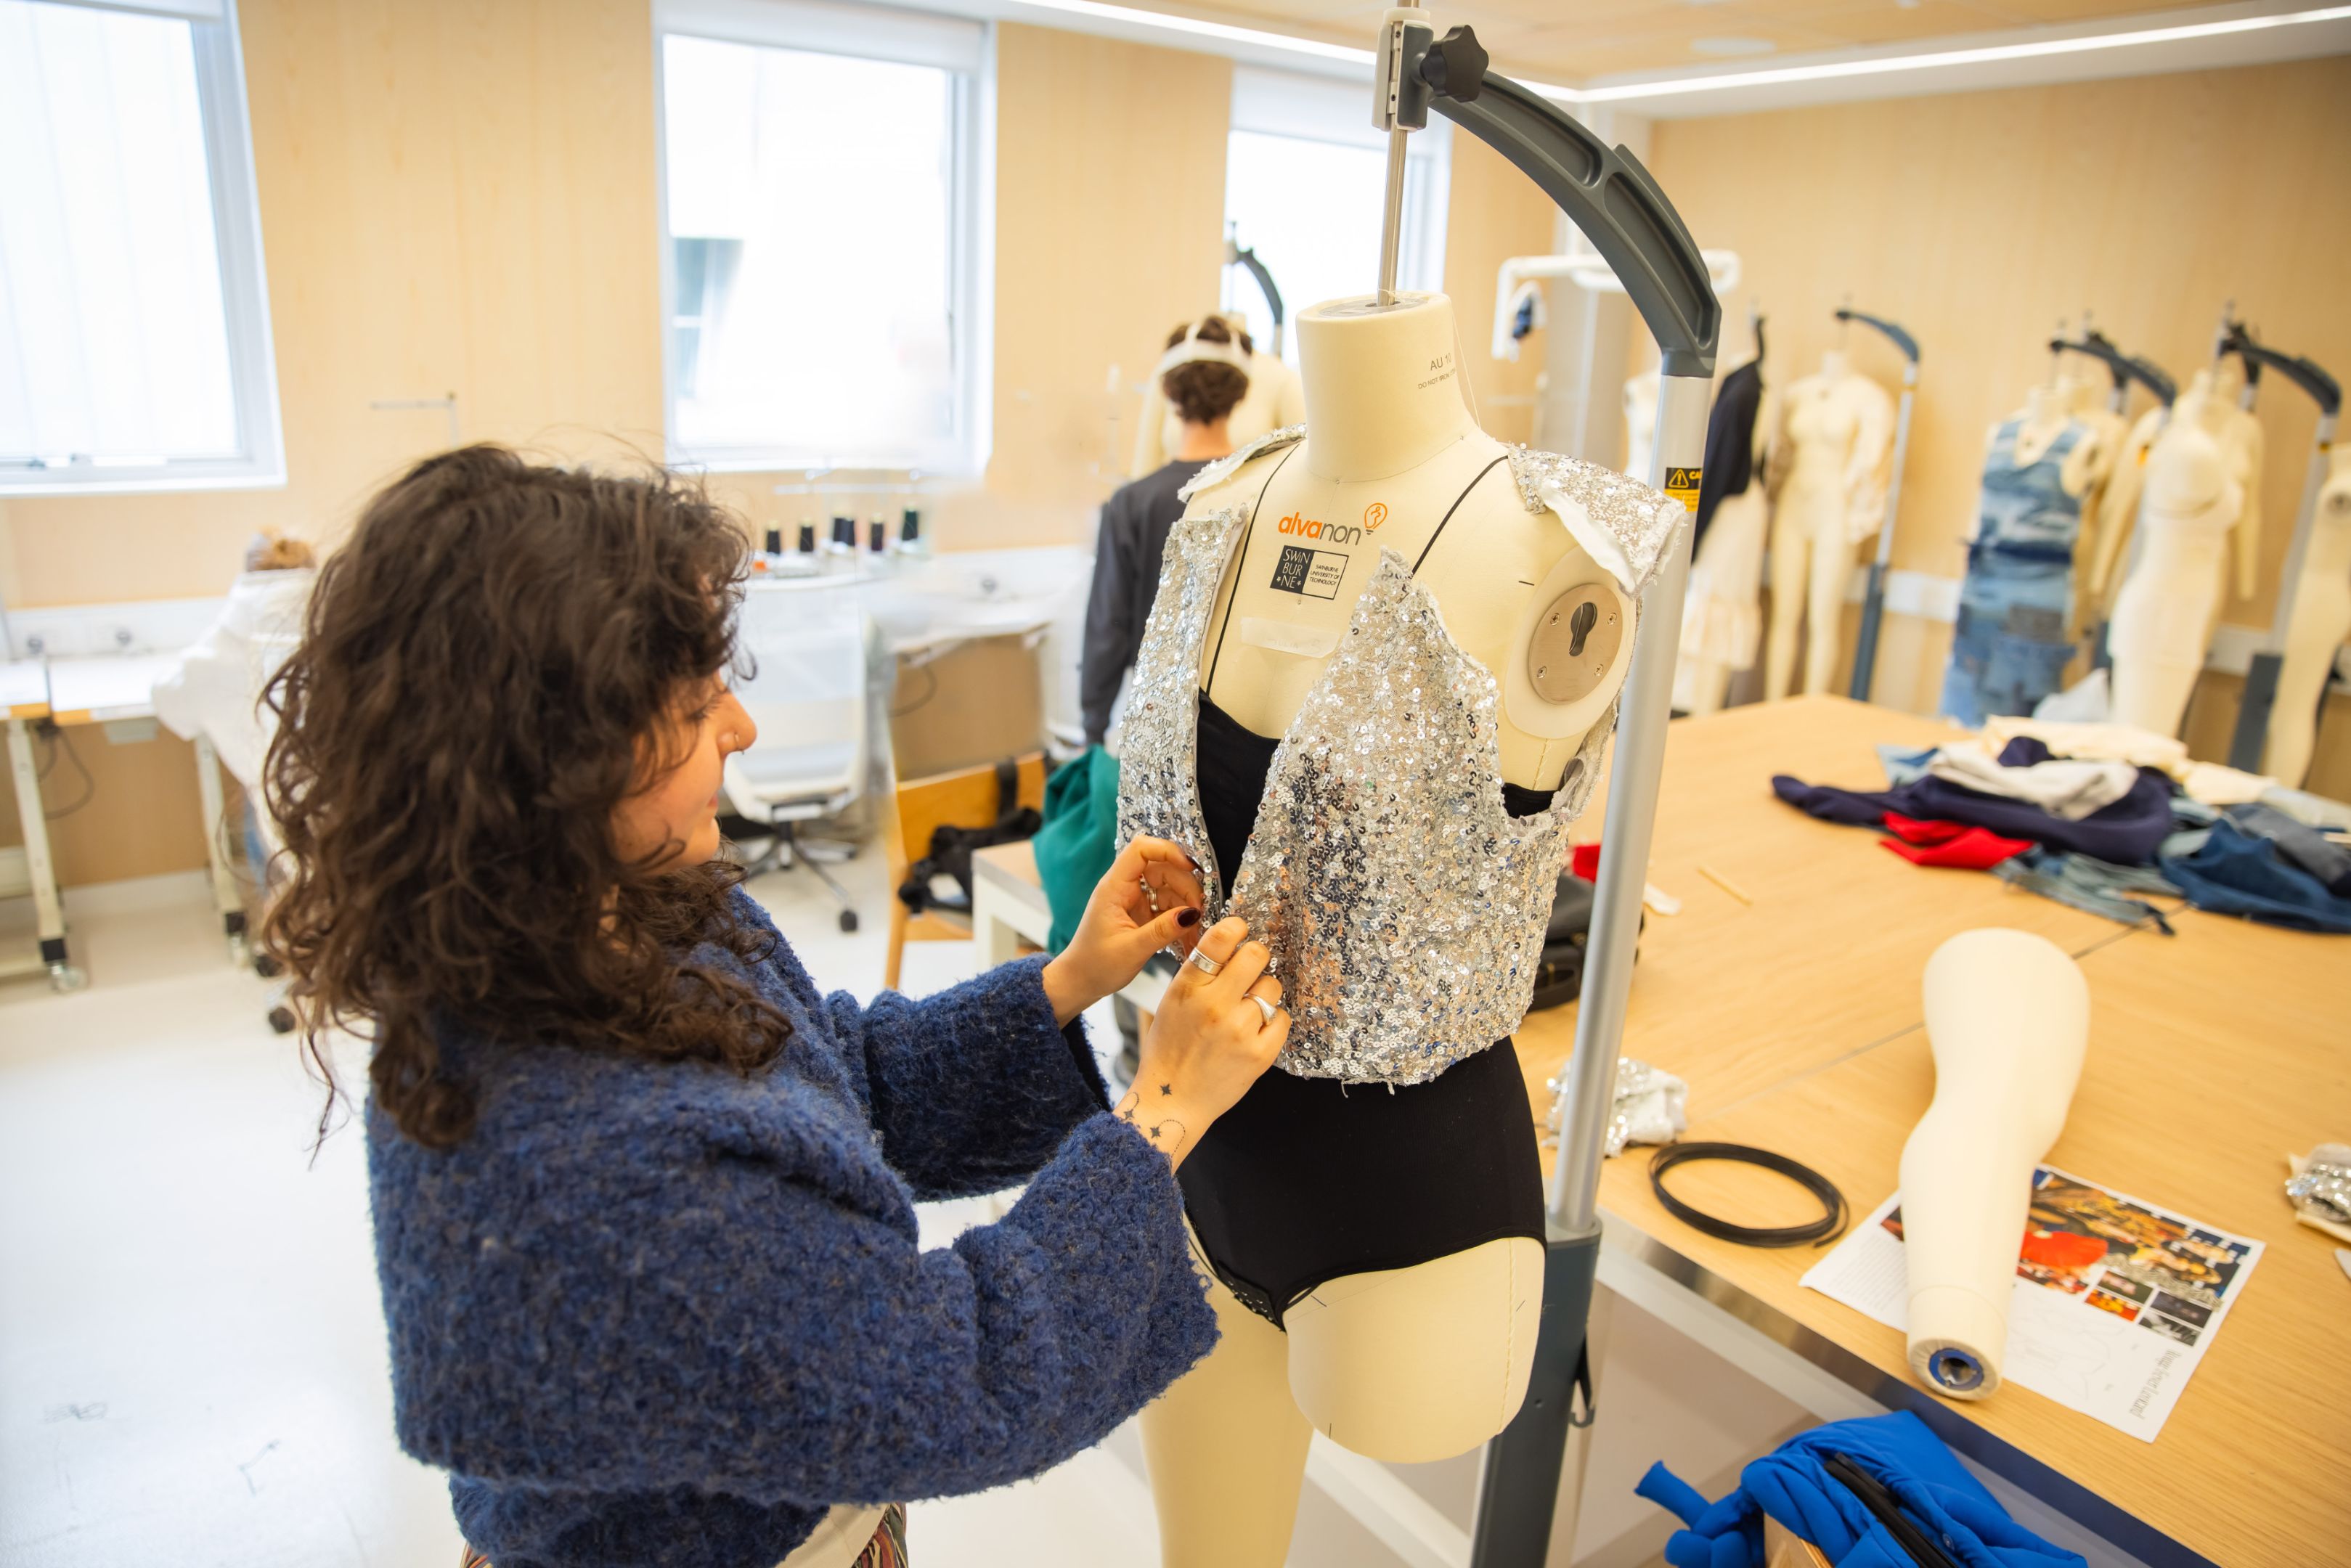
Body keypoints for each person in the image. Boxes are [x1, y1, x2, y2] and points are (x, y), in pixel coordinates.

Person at [259, 446, 1292, 1568]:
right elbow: (954, 1380)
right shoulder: (591, 1170)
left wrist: (1067, 979)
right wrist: (1160, 1114)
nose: (741, 729)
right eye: (696, 704)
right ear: (555, 761)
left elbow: (823, 1075)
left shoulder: (609, 912)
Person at [1079, 316, 1254, 747]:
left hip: (1155, 715)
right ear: (1240, 393)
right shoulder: (1264, 491)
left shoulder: (1133, 503)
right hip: (1243, 718)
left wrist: (1093, 727)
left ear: (1169, 392)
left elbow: (1108, 627)